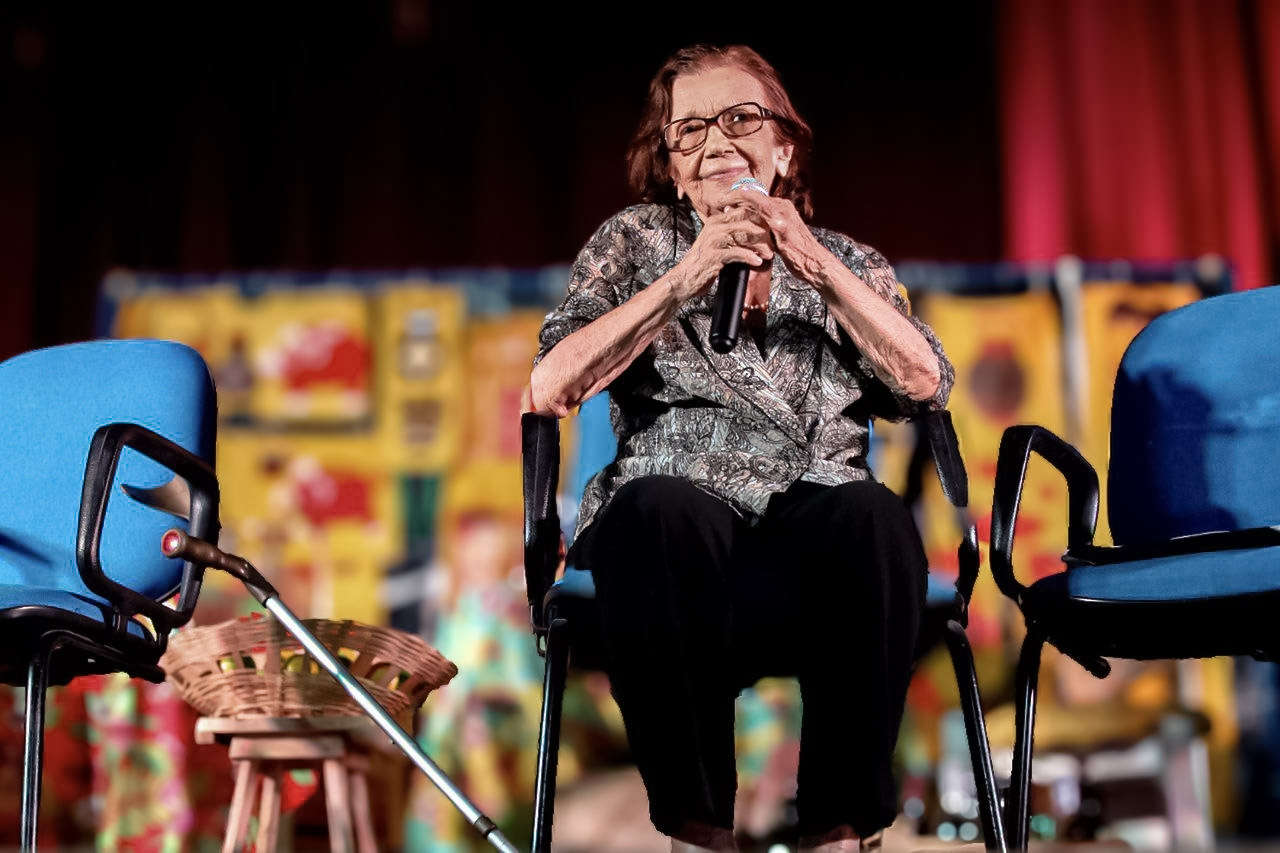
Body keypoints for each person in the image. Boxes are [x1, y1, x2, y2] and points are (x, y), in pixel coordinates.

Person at [526, 43, 955, 853]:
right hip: (676, 517)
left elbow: (926, 380)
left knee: (874, 517)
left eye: (741, 118)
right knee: (655, 509)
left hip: (815, 517)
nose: (716, 141)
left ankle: (838, 830)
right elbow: (549, 385)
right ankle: (699, 833)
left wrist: (812, 262)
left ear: (784, 150)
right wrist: (687, 277)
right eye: (688, 130)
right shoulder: (634, 241)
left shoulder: (848, 259)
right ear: (674, 168)